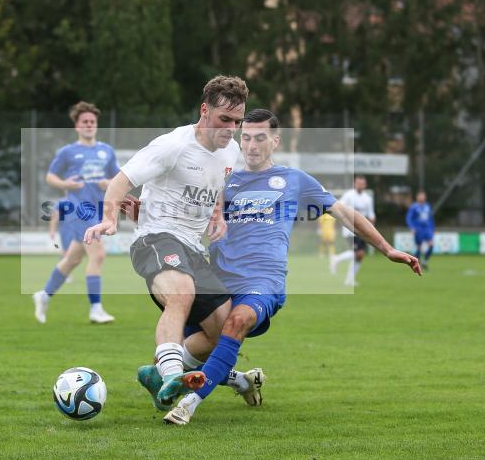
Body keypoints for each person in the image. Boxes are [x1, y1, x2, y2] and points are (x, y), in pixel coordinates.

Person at [160, 109, 421, 425]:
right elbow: (187, 216)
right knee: (193, 352)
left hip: (263, 280)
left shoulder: (294, 180)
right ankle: (243, 381)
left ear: (275, 141)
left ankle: (189, 404)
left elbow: (344, 214)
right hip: (218, 279)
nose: (251, 146)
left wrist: (387, 249)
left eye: (260, 138)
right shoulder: (224, 180)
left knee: (237, 322)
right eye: (246, 138)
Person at [84, 75, 246, 409]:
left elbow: (219, 187)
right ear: (204, 110)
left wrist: (218, 216)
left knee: (223, 329)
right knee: (181, 293)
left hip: (194, 248)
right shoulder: (172, 145)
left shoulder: (232, 151)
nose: (231, 128)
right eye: (225, 119)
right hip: (155, 238)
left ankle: (158, 376)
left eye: (237, 121)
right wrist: (110, 218)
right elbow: (121, 181)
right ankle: (173, 375)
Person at [33, 102, 118, 325]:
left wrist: (107, 182)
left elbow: (117, 178)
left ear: (96, 125)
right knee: (98, 255)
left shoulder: (106, 151)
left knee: (73, 259)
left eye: (92, 121)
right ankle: (96, 309)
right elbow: (50, 176)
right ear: (77, 126)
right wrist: (65, 184)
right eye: (85, 122)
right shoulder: (67, 152)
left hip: (98, 209)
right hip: (78, 208)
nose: (89, 125)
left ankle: (44, 295)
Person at [329, 176, 376, 286]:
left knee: (360, 256)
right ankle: (336, 259)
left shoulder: (367, 199)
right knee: (358, 253)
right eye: (358, 183)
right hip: (349, 229)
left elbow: (371, 214)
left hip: (362, 229)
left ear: (365, 185)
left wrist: (371, 228)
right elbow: (338, 207)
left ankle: (349, 279)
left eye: (362, 183)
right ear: (355, 184)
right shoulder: (348, 195)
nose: (360, 185)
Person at [406, 190, 435, 270]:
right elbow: (409, 218)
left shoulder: (427, 206)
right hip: (418, 229)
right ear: (417, 197)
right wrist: (411, 227)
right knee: (419, 247)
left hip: (427, 229)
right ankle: (414, 263)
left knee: (431, 245)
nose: (422, 197)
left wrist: (432, 228)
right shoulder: (414, 207)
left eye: (423, 196)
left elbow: (431, 218)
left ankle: (425, 261)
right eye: (420, 196)